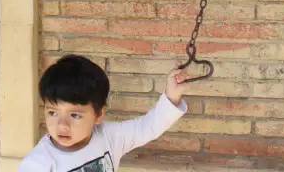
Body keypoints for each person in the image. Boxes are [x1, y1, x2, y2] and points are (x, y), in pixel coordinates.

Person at [19, 54, 190, 172]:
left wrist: (172, 95)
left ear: (99, 115)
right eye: (53, 113)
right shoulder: (38, 163)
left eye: (75, 115)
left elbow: (148, 127)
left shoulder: (109, 137)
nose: (62, 125)